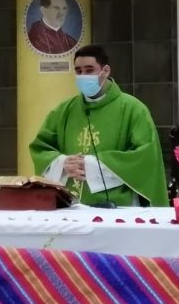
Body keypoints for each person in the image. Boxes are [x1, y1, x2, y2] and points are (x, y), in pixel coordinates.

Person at [30, 44, 168, 206]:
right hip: (68, 205)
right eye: (78, 71)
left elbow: (145, 156)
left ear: (106, 71)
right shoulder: (64, 110)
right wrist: (62, 163)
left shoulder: (133, 109)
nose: (83, 76)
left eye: (89, 70)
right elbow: (40, 148)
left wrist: (92, 165)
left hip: (117, 206)